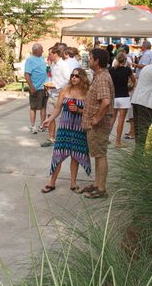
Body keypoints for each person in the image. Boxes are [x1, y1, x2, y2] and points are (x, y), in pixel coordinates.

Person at [40, 68, 91, 193]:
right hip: (65, 128)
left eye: (77, 76)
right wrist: (50, 119)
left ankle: (73, 183)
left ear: (82, 78)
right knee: (58, 154)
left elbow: (90, 111)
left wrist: (79, 110)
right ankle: (52, 182)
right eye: (72, 75)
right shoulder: (65, 90)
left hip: (79, 128)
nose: (73, 78)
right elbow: (57, 108)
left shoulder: (87, 93)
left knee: (76, 155)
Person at [80, 48, 115, 199]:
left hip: (99, 126)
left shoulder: (101, 78)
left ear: (97, 61)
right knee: (97, 154)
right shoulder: (99, 76)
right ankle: (96, 183)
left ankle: (101, 188)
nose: (89, 60)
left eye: (91, 57)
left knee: (100, 155)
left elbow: (105, 102)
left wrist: (96, 119)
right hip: (95, 125)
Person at [42, 46, 71, 147]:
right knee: (50, 115)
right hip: (52, 93)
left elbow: (68, 80)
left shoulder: (63, 65)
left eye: (50, 54)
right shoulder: (53, 65)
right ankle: (51, 138)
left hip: (61, 94)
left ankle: (65, 138)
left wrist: (57, 86)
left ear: (55, 54)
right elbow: (52, 77)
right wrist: (48, 85)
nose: (48, 56)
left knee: (65, 117)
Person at [109, 52, 136, 148]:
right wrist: (130, 87)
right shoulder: (127, 70)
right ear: (125, 60)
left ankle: (106, 139)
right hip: (124, 96)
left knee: (112, 118)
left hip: (114, 96)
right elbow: (134, 80)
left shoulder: (111, 70)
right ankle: (118, 142)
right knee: (121, 120)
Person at [24, 44, 48, 134]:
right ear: (36, 50)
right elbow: (27, 75)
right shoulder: (30, 60)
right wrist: (31, 87)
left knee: (43, 107)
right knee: (33, 107)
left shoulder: (42, 58)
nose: (43, 51)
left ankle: (42, 125)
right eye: (41, 49)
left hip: (44, 87)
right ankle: (33, 126)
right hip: (35, 87)